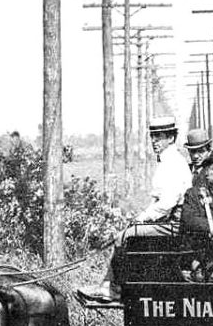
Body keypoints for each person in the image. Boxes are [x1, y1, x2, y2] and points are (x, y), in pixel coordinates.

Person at [77, 116, 192, 302]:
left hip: (174, 222)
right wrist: (141, 217)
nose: (154, 141)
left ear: (171, 138)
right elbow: (158, 201)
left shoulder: (173, 163)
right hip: (168, 219)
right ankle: (114, 284)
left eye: (160, 137)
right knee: (127, 232)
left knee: (124, 236)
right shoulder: (167, 161)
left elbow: (167, 203)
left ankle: (113, 288)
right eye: (153, 136)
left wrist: (143, 218)